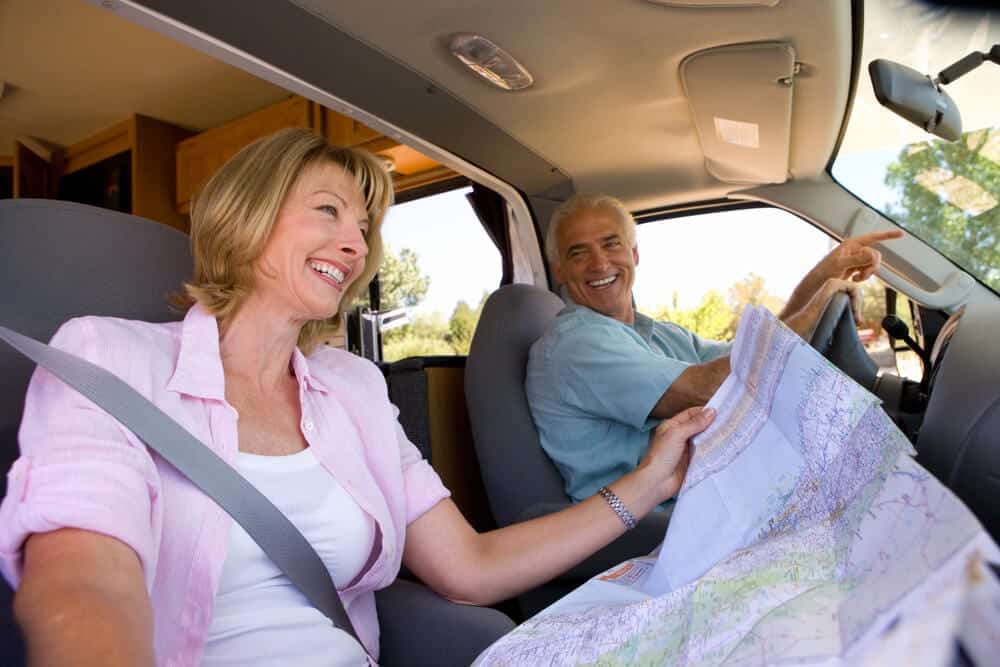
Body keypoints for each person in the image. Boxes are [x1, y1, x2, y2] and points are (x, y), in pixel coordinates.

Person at [0, 130, 715, 667]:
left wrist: (645, 480)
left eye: (364, 226)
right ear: (246, 214)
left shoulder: (354, 389)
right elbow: (83, 583)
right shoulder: (106, 357)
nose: (355, 243)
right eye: (327, 210)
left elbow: (469, 566)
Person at [526, 193, 902, 505]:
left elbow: (750, 350)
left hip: (709, 496)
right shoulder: (576, 344)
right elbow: (713, 385)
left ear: (634, 254)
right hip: (656, 527)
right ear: (558, 270)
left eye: (611, 244)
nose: (600, 263)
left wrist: (827, 272)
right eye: (578, 253)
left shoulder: (654, 334)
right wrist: (822, 300)